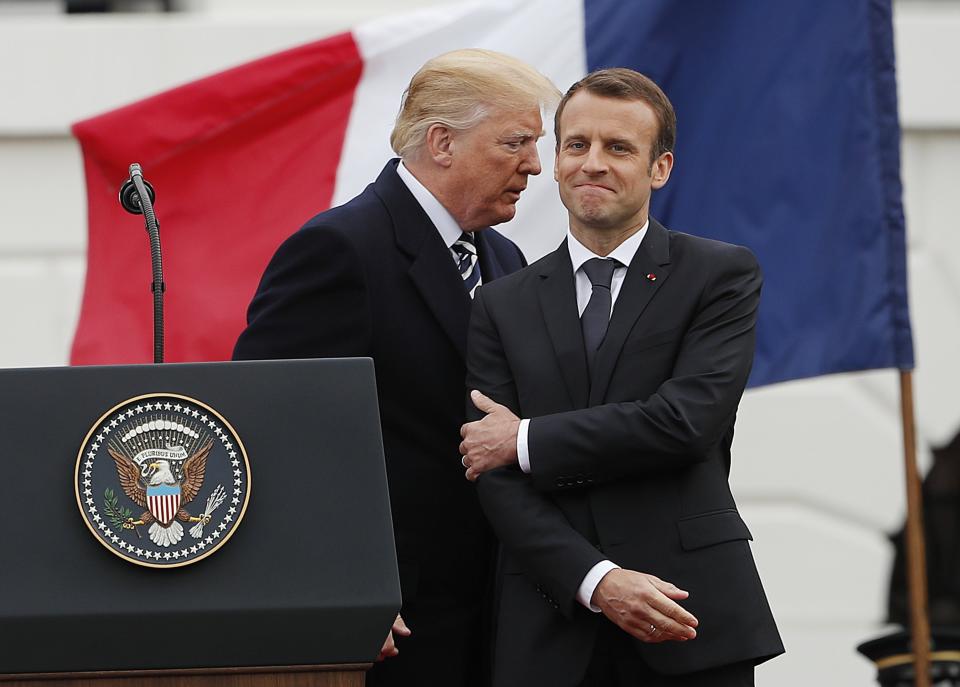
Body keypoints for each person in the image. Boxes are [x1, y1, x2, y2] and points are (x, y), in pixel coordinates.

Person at [233, 49, 559, 687]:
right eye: (515, 142)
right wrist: (341, 587)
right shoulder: (339, 249)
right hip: (392, 620)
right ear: (442, 142)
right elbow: (266, 430)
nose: (534, 165)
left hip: (496, 614)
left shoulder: (506, 257)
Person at [459, 68, 784, 687]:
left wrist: (525, 440)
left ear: (660, 168)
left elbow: (685, 423)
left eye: (619, 148)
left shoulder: (719, 275)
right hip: (552, 618)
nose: (593, 164)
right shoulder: (501, 302)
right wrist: (596, 580)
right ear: (555, 161)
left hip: (687, 615)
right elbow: (490, 475)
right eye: (577, 145)